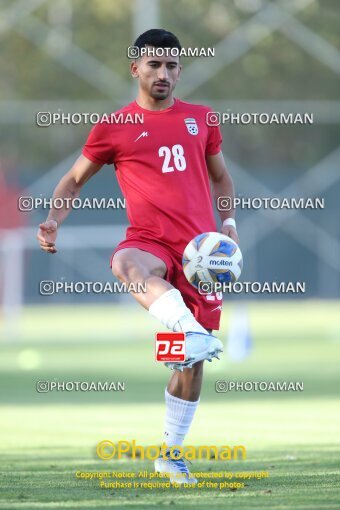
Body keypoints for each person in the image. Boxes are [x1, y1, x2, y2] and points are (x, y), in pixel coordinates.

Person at [37, 28, 238, 484]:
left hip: (199, 256)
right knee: (126, 263)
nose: (163, 73)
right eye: (154, 65)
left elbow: (222, 179)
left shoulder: (201, 119)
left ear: (180, 71)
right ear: (136, 69)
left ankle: (170, 453)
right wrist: (53, 219)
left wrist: (229, 226)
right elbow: (73, 180)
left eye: (171, 66)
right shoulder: (114, 126)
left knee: (186, 363)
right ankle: (189, 329)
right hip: (148, 241)